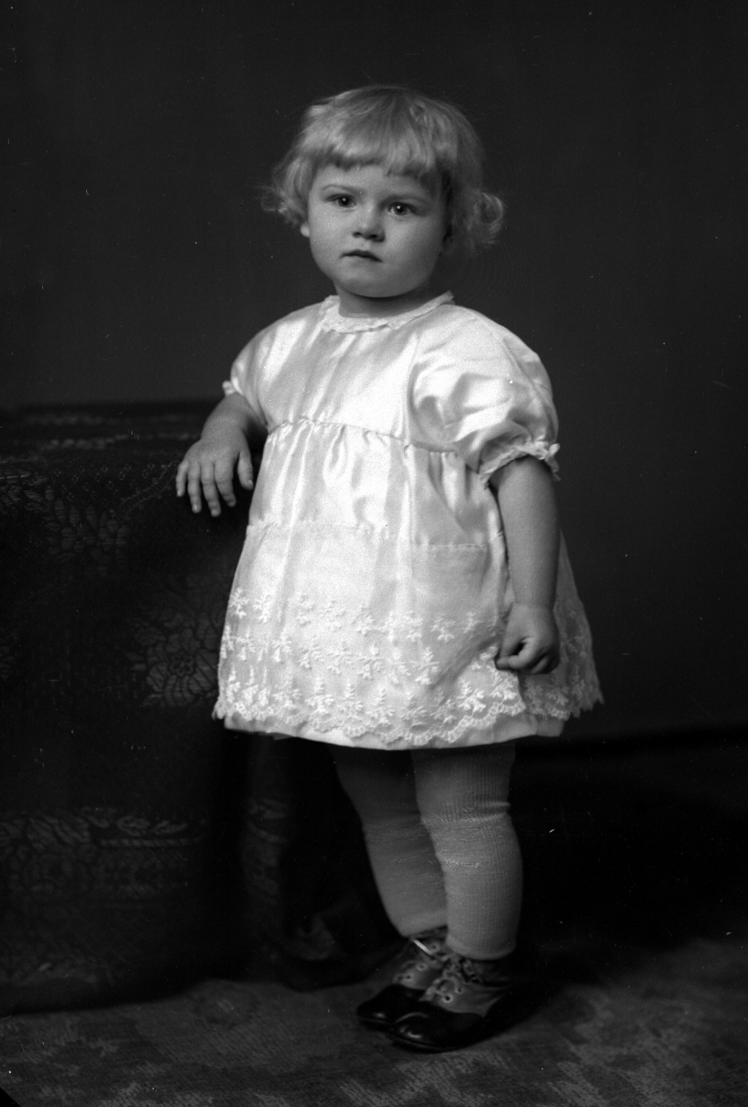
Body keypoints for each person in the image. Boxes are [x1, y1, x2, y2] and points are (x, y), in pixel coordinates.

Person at [176, 86, 602, 1052]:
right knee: (377, 798)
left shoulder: (465, 349)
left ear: (452, 226)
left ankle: (486, 967)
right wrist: (222, 429)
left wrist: (532, 600)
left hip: (449, 616)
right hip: (345, 627)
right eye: (343, 200)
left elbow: (522, 474)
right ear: (303, 210)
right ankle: (437, 947)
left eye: (401, 207)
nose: (367, 226)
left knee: (461, 802)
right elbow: (244, 395)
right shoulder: (288, 342)